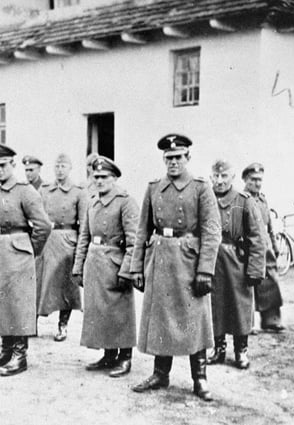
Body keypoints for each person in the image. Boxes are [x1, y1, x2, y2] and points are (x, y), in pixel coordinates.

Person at [130, 134, 220, 401]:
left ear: (188, 158)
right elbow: (141, 230)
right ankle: (160, 373)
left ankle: (200, 377)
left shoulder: (201, 188)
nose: (173, 162)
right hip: (160, 260)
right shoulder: (154, 187)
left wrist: (206, 270)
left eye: (178, 157)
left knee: (195, 319)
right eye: (169, 158)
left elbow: (212, 231)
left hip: (188, 263)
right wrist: (136, 267)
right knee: (161, 318)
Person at [0, 143, 51, 376]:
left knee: (17, 303)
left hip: (16, 251)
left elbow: (43, 225)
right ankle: (6, 349)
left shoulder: (25, 191)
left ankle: (20, 354)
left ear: (13, 165)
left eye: (2, 165)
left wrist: (29, 250)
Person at [72, 156, 139, 377]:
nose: (99, 181)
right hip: (95, 261)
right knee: (100, 312)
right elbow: (84, 236)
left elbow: (134, 239)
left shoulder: (125, 201)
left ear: (114, 178)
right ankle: (109, 354)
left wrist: (128, 269)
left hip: (115, 263)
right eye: (96, 176)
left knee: (120, 312)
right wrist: (78, 266)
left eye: (104, 177)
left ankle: (125, 357)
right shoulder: (92, 201)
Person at [208, 160, 266, 370]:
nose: (220, 181)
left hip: (237, 261)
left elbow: (257, 238)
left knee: (240, 305)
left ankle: (241, 350)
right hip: (211, 260)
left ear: (232, 178)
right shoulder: (206, 199)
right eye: (216, 176)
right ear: (210, 177)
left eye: (224, 177)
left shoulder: (244, 201)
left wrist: (255, 269)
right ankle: (219, 349)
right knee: (215, 304)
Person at [36, 154, 88, 341]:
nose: (60, 169)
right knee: (39, 281)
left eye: (63, 166)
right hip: (46, 239)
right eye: (57, 166)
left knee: (66, 286)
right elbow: (37, 217)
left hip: (68, 242)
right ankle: (32, 322)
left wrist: (82, 249)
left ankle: (62, 325)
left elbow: (84, 224)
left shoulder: (78, 192)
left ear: (70, 168)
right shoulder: (45, 190)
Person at [242, 163, 285, 333]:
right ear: (245, 179)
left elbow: (269, 226)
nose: (257, 183)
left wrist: (274, 246)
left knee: (271, 280)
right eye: (253, 179)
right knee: (248, 283)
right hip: (249, 245)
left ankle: (271, 319)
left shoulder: (262, 199)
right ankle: (247, 322)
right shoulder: (241, 199)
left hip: (265, 245)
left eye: (260, 180)